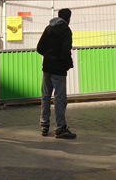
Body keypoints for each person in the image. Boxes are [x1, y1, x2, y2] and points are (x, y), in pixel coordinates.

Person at [36, 8, 76, 139]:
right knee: (59, 98)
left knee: (46, 96)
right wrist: (67, 65)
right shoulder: (66, 31)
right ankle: (60, 128)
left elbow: (39, 48)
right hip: (58, 70)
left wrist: (49, 57)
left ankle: (44, 124)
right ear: (68, 19)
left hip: (47, 67)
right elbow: (65, 52)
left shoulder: (48, 29)